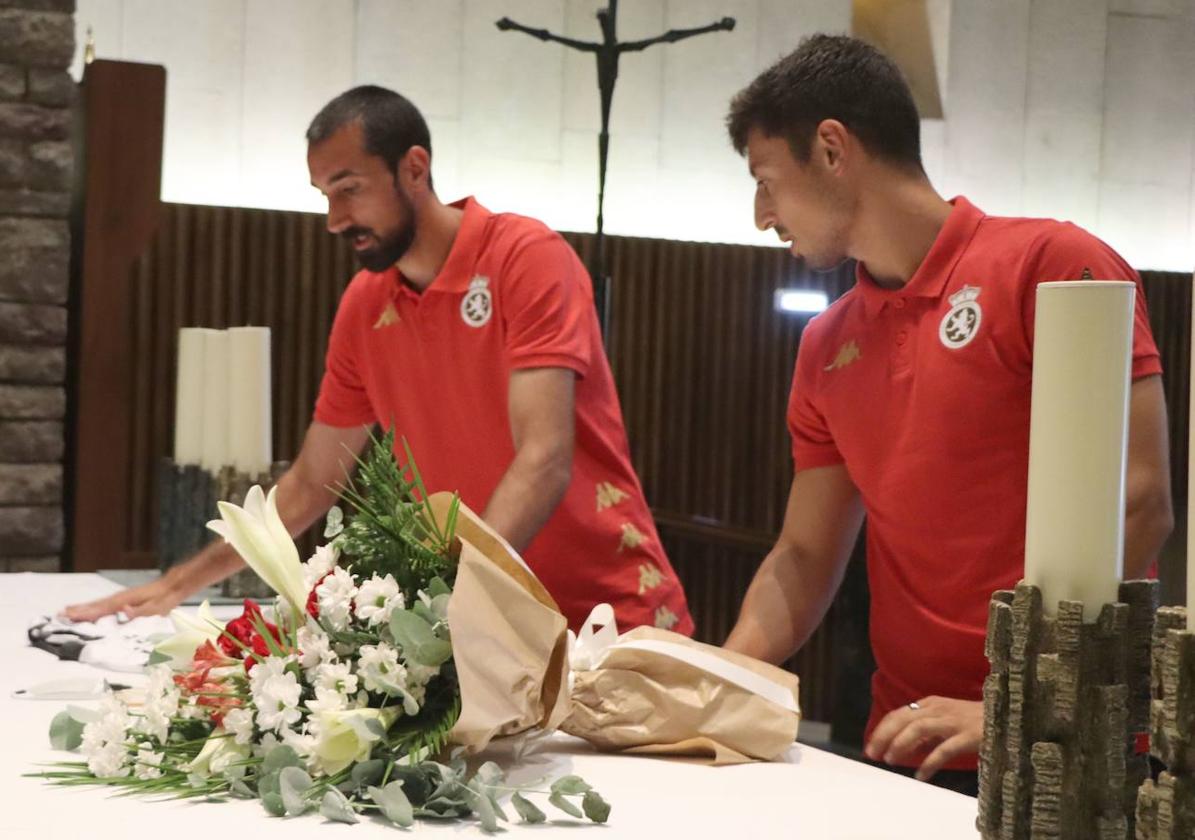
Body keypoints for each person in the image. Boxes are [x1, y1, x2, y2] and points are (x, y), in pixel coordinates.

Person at [67, 85, 694, 638]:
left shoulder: (524, 258)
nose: (336, 219)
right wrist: (180, 583)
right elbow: (314, 481)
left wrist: (451, 598)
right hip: (487, 629)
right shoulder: (366, 306)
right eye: (324, 195)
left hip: (608, 617)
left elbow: (545, 457)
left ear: (413, 167)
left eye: (351, 189)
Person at [721, 35, 1173, 793]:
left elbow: (1138, 501)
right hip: (910, 739)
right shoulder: (824, 344)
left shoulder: (1051, 263)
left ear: (832, 149)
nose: (761, 214)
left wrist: (1009, 702)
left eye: (767, 179)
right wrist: (717, 681)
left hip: (1065, 739)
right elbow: (802, 555)